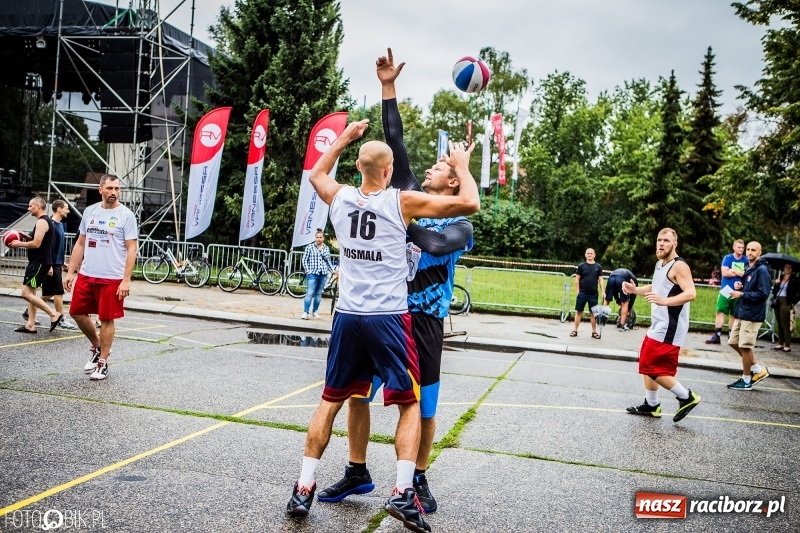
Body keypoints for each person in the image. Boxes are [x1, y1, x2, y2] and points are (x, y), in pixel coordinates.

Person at [285, 118, 479, 533]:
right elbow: (470, 203)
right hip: (389, 319)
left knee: (330, 400)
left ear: (357, 166)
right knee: (408, 404)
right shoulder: (401, 203)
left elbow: (316, 173)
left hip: (347, 317)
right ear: (389, 173)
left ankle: (303, 487)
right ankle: (403, 493)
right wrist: (462, 166)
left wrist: (343, 138)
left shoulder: (338, 198)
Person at [317, 48, 475, 515]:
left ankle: (418, 479)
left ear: (451, 185)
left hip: (423, 320)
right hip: (383, 313)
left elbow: (434, 245)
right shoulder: (404, 194)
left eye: (441, 169)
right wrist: (388, 85)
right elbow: (395, 139)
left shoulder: (455, 225)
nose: (429, 169)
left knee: (422, 407)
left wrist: (401, 223)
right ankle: (358, 469)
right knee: (356, 394)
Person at [64, 174, 138, 381]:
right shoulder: (90, 211)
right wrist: (71, 271)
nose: (114, 193)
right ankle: (97, 347)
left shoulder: (126, 215)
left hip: (112, 277)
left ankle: (103, 363)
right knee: (76, 312)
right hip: (87, 274)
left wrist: (126, 279)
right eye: (110, 189)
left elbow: (132, 250)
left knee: (106, 319)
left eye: (117, 189)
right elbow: (80, 243)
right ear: (100, 190)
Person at [624, 228, 701, 423]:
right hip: (658, 324)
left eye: (666, 241)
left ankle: (687, 396)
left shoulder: (679, 266)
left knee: (650, 366)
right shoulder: (660, 264)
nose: (661, 244)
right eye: (659, 240)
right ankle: (652, 405)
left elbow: (691, 293)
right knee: (646, 362)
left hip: (670, 327)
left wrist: (664, 301)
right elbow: (656, 287)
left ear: (675, 244)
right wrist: (635, 290)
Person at [7, 196, 63, 333]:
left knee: (26, 293)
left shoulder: (42, 222)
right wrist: (25, 236)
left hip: (38, 263)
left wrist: (19, 243)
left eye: (30, 206)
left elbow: (36, 244)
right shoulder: (45, 221)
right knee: (32, 293)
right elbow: (39, 240)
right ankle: (30, 325)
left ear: (38, 206)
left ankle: (54, 314)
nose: (28, 208)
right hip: (40, 262)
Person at [726, 241, 771, 390]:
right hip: (742, 312)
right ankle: (757, 370)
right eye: (748, 249)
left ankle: (746, 381)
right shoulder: (749, 267)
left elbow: (763, 293)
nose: (750, 252)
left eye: (754, 250)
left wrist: (742, 293)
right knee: (733, 341)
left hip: (752, 314)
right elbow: (751, 288)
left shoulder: (762, 269)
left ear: (760, 252)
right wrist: (742, 286)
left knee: (745, 346)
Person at [36, 199, 79, 330]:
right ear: (59, 209)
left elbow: (57, 248)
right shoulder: (51, 225)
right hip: (51, 264)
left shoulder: (60, 225)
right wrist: (49, 265)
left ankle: (29, 309)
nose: (68, 211)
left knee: (50, 292)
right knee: (58, 292)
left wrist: (62, 262)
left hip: (57, 263)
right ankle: (61, 319)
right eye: (66, 208)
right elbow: (46, 247)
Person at [706, 240, 747, 344]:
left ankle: (731, 336)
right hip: (726, 289)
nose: (741, 249)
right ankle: (717, 335)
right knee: (720, 311)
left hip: (738, 290)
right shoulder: (727, 258)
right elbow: (725, 273)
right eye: (739, 247)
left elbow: (745, 274)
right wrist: (739, 273)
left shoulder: (745, 260)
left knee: (734, 314)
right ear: (734, 247)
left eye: (742, 248)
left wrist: (733, 271)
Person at [300, 229, 337, 319]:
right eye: (317, 237)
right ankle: (305, 312)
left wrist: (333, 271)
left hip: (323, 274)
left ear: (323, 238)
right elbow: (304, 259)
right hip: (312, 273)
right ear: (315, 238)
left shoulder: (326, 248)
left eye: (320, 237)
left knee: (318, 294)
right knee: (310, 293)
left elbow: (328, 261)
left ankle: (315, 311)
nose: (319, 239)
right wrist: (307, 270)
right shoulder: (310, 247)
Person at [571, 248, 604, 338]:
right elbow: (577, 279)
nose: (589, 255)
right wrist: (577, 291)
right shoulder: (581, 266)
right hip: (582, 293)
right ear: (585, 255)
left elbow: (601, 280)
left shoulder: (598, 267)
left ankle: (594, 332)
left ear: (594, 255)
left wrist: (603, 292)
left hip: (593, 294)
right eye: (588, 253)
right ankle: (575, 330)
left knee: (593, 313)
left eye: (591, 253)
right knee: (578, 312)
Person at [771, 263, 800, 352]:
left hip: (786, 302)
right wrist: (776, 283)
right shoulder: (780, 277)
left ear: (792, 269)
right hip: (778, 301)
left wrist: (793, 301)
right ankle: (780, 343)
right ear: (783, 268)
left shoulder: (794, 279)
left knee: (785, 324)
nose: (787, 269)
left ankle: (787, 345)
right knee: (779, 323)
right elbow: (774, 291)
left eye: (790, 268)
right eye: (786, 267)